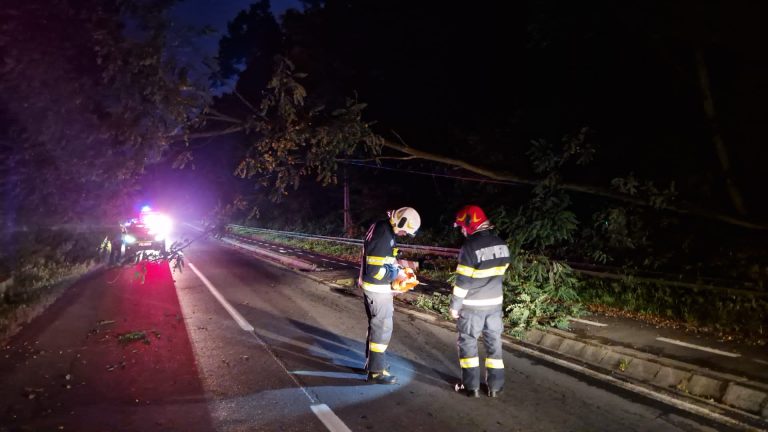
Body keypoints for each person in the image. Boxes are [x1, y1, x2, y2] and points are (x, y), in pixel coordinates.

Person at [449, 205, 511, 398]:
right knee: (494, 345)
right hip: (495, 306)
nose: (462, 230)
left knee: (468, 344)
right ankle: (495, 387)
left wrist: (455, 306)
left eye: (462, 226)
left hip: (472, 307)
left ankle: (471, 387)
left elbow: (463, 281)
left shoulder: (470, 247)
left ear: (470, 224)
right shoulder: (502, 244)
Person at [359, 207, 421, 384]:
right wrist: (397, 275)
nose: (404, 234)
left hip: (374, 288)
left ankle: (372, 364)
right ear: (401, 222)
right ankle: (376, 372)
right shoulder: (384, 235)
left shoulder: (383, 228)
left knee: (376, 327)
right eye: (405, 230)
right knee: (382, 329)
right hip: (377, 290)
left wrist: (398, 268)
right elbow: (375, 270)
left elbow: (380, 258)